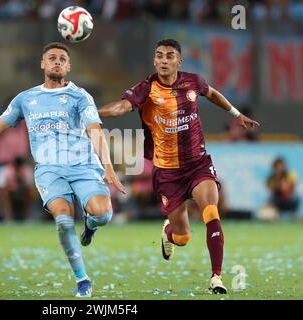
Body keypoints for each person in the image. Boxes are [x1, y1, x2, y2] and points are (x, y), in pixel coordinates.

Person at [0, 42, 125, 298]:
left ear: (69, 66)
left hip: (83, 166)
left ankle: (91, 225)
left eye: (62, 58)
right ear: (43, 63)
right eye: (52, 58)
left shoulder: (80, 96)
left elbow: (95, 130)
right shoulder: (26, 99)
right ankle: (82, 279)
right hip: (49, 170)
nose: (57, 62)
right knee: (62, 218)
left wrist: (108, 167)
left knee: (103, 214)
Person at [98, 39, 260, 294]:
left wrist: (236, 114)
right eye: (159, 56)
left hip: (198, 164)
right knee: (183, 238)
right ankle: (170, 231)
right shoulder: (146, 88)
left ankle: (216, 277)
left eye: (169, 56)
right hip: (168, 173)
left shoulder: (194, 81)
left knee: (211, 211)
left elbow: (213, 93)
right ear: (154, 60)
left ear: (178, 61)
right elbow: (122, 107)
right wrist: (94, 114)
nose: (164, 60)